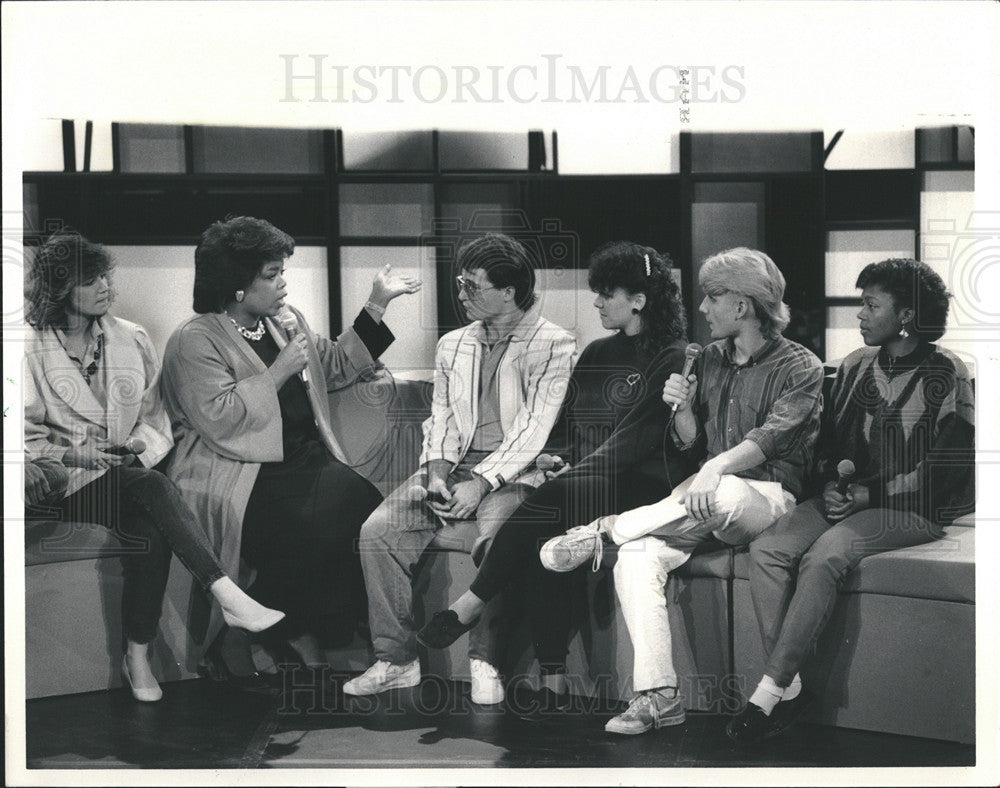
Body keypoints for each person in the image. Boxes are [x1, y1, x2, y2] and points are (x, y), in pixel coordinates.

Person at [541, 247, 825, 735]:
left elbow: (768, 440)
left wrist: (714, 468)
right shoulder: (708, 359)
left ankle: (604, 531)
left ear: (742, 305)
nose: (702, 308)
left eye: (713, 297)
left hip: (767, 500)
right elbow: (693, 447)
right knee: (637, 556)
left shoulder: (801, 366)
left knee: (726, 491)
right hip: (698, 503)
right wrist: (687, 412)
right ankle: (659, 696)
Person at [416, 241, 690, 718]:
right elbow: (564, 427)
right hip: (585, 481)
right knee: (548, 534)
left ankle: (470, 603)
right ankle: (553, 674)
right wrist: (555, 459)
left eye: (607, 294)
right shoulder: (598, 351)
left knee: (549, 504)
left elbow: (634, 442)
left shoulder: (673, 356)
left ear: (640, 300)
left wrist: (573, 475)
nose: (597, 303)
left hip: (642, 486)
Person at [24, 229, 284, 703]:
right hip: (61, 482)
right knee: (150, 491)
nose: (106, 286)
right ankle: (227, 596)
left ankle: (138, 654)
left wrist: (135, 447)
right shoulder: (28, 348)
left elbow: (156, 418)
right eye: (90, 280)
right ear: (61, 289)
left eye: (106, 275)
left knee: (149, 514)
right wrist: (71, 454)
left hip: (124, 476)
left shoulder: (131, 338)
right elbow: (21, 440)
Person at [160, 216, 420, 687]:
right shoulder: (193, 339)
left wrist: (377, 302)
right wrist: (278, 372)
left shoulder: (284, 321)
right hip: (235, 469)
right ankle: (273, 632)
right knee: (325, 517)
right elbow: (218, 419)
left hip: (301, 460)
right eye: (270, 275)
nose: (283, 284)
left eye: (282, 272)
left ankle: (282, 627)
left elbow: (337, 366)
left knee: (361, 507)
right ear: (237, 285)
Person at [727, 258, 975, 745]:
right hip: (849, 499)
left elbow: (948, 471)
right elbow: (831, 446)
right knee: (768, 549)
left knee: (824, 556)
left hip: (913, 508)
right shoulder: (855, 366)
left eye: (871, 304)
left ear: (905, 315)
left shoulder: (947, 370)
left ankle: (767, 693)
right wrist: (836, 487)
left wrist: (870, 494)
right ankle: (794, 686)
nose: (860, 314)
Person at [345, 233, 576, 705]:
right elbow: (442, 419)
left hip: (515, 473)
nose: (461, 293)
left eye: (473, 285)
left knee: (496, 543)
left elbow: (532, 432)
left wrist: (480, 483)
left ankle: (484, 657)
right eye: (460, 282)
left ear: (508, 292)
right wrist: (434, 473)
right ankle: (397, 659)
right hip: (455, 468)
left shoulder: (554, 343)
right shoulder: (454, 344)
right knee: (377, 531)